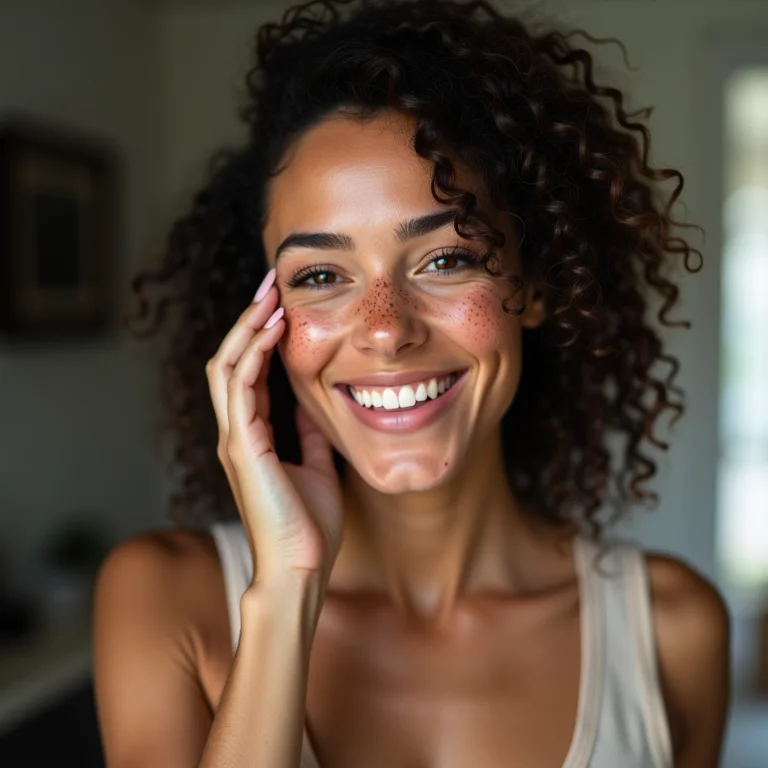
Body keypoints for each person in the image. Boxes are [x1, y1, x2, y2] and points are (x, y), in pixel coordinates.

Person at [92, 0, 731, 766]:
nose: (386, 329)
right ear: (262, 320)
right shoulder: (167, 602)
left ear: (533, 285)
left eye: (445, 258)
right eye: (322, 275)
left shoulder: (674, 630)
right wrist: (289, 589)